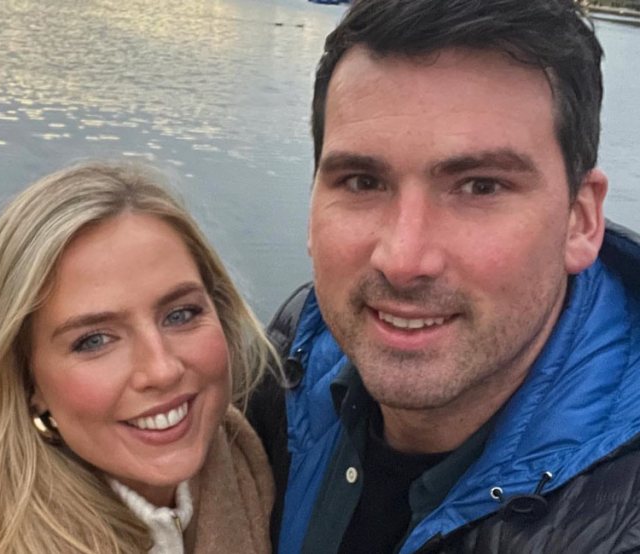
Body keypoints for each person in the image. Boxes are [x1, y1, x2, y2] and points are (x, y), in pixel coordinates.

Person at [247, 0, 640, 552]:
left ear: (581, 221)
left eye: (480, 186)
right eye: (362, 182)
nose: (403, 260)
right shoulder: (291, 361)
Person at [0, 162, 274, 553]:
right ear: (28, 383)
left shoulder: (265, 461)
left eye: (181, 314)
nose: (162, 369)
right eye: (94, 340)